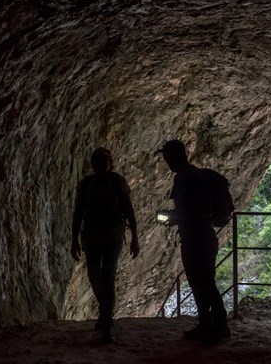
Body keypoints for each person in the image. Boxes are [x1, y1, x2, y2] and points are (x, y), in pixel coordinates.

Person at [156, 139, 231, 344]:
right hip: (195, 238)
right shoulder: (185, 177)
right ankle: (207, 323)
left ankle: (220, 325)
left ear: (178, 156)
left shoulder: (191, 178)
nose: (167, 161)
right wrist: (175, 217)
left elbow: (201, 212)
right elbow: (190, 211)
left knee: (205, 282)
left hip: (200, 239)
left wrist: (175, 218)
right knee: (198, 283)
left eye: (168, 157)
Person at [71, 147, 140, 343]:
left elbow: (129, 210)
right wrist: (74, 239)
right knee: (94, 276)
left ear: (110, 163)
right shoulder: (85, 184)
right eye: (96, 161)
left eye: (103, 161)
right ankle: (105, 311)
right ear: (92, 163)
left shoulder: (118, 182)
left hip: (113, 235)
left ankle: (107, 323)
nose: (100, 164)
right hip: (93, 235)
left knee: (107, 275)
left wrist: (135, 237)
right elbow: (78, 214)